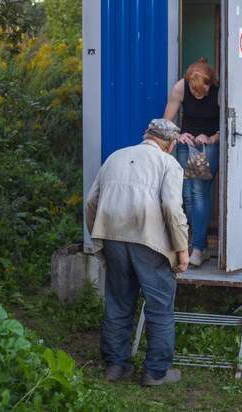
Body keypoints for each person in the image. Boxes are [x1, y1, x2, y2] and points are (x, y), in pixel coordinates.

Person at [86, 118, 190, 386]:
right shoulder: (169, 164)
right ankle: (156, 372)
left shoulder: (115, 157)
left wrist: (99, 235)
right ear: (169, 143)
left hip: (112, 237)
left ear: (147, 136)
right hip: (149, 241)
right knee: (159, 307)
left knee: (118, 302)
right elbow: (171, 207)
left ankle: (116, 366)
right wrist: (182, 249)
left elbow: (91, 201)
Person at [163, 58, 220, 267]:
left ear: (209, 85)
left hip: (208, 145)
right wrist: (177, 135)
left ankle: (197, 248)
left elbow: (231, 122)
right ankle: (199, 246)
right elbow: (167, 121)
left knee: (198, 191)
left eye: (200, 92)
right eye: (193, 92)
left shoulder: (219, 91)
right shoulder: (181, 87)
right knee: (186, 194)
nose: (196, 95)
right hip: (186, 144)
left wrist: (211, 138)